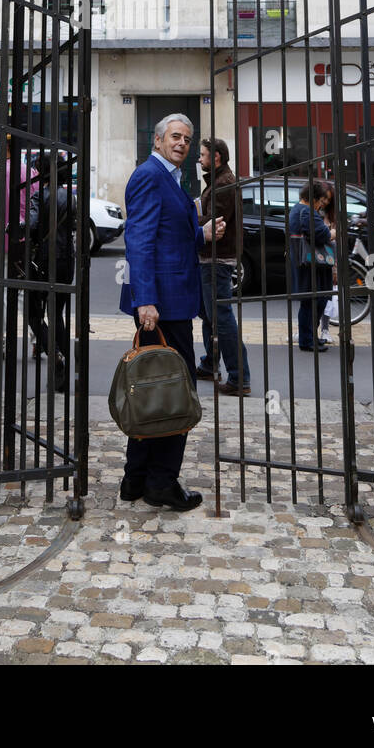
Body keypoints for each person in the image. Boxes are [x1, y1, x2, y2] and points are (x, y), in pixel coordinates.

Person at [118, 113, 225, 511]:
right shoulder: (149, 175)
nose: (182, 143)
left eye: (187, 138)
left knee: (153, 392)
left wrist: (201, 234)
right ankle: (161, 482)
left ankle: (136, 479)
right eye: (175, 137)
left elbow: (167, 234)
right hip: (161, 307)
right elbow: (140, 240)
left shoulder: (172, 178)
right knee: (173, 395)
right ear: (158, 140)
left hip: (168, 302)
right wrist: (146, 300)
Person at [195, 137, 251, 396]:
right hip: (211, 257)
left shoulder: (224, 184)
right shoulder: (219, 181)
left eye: (203, 155)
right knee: (209, 315)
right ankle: (210, 363)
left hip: (217, 259)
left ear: (215, 157)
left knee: (221, 317)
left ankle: (239, 378)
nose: (199, 159)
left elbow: (214, 220)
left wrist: (193, 215)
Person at [0, 133, 37, 357]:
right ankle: (36, 338)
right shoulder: (32, 174)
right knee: (26, 292)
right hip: (25, 242)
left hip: (1, 242)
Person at [28, 151, 76, 392]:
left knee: (33, 314)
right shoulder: (72, 197)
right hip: (67, 259)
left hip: (46, 260)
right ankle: (65, 367)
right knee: (58, 314)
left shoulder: (39, 195)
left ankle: (54, 351)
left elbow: (32, 225)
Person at [290, 178, 336, 352]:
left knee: (313, 302)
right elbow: (321, 234)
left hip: (306, 263)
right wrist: (332, 233)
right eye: (321, 200)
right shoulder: (306, 211)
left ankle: (311, 338)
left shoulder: (297, 209)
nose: (322, 205)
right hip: (311, 265)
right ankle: (307, 341)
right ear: (314, 198)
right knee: (312, 302)